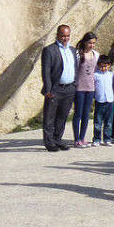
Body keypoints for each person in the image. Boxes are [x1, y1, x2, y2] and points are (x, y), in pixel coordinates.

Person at [40, 24, 78, 152]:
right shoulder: (50, 50)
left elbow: (75, 68)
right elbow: (46, 71)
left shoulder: (72, 50)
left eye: (67, 36)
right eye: (63, 36)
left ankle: (57, 139)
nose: (65, 38)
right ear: (57, 35)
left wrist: (75, 84)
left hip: (69, 88)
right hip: (55, 89)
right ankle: (49, 141)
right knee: (50, 116)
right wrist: (48, 89)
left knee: (62, 116)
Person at [71, 31, 99, 147]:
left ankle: (83, 138)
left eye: (93, 43)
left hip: (90, 88)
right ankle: (76, 138)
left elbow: (96, 71)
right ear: (85, 42)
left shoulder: (96, 55)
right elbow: (75, 70)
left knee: (86, 114)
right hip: (79, 87)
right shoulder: (78, 54)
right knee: (78, 113)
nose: (91, 45)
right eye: (89, 43)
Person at [91, 54, 114, 146]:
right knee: (98, 121)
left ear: (109, 65)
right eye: (101, 66)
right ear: (98, 65)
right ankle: (97, 139)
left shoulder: (111, 75)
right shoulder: (96, 75)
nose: (103, 68)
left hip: (109, 100)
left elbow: (112, 86)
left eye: (105, 66)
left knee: (108, 122)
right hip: (99, 101)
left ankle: (107, 138)